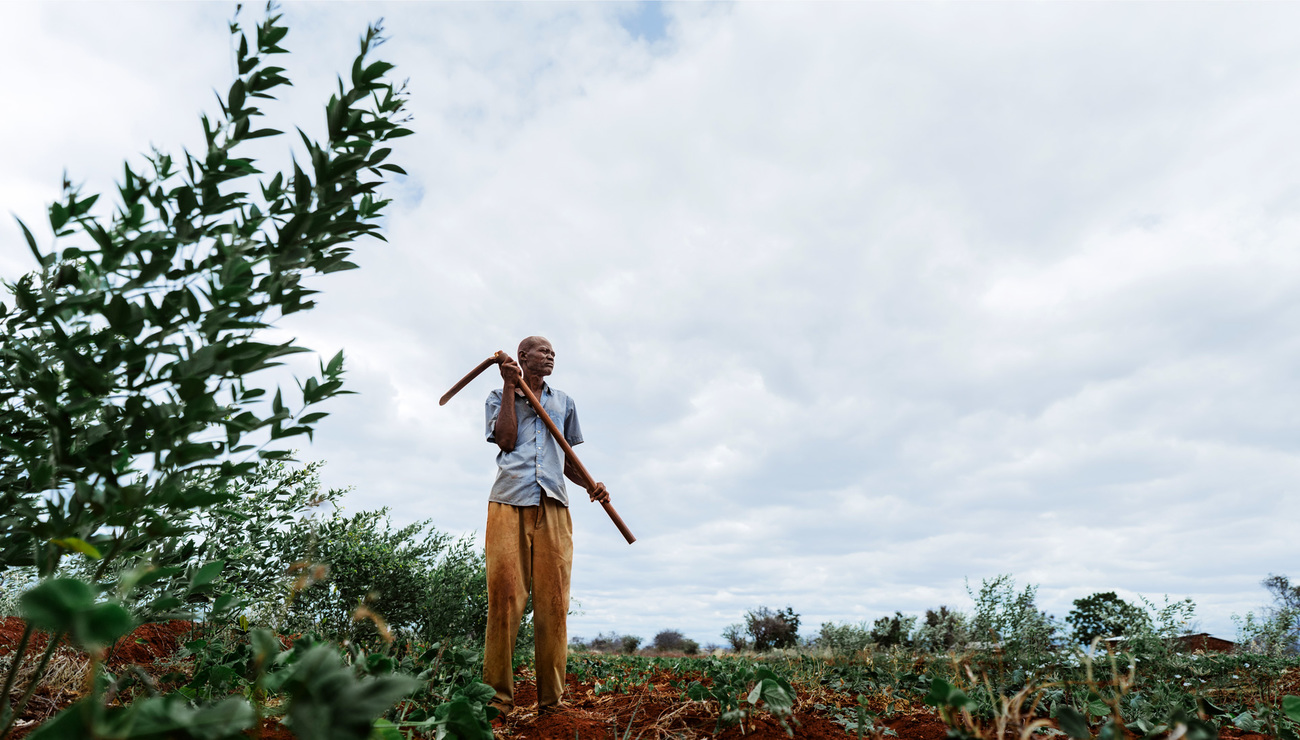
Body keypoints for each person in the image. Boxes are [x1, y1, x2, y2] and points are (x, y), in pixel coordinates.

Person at [482, 336, 609, 717]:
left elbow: (567, 457)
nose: (551, 355)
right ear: (522, 357)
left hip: (554, 505)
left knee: (555, 603)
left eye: (554, 352)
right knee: (504, 600)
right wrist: (509, 386)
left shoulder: (564, 401)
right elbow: (504, 440)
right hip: (508, 502)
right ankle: (497, 701)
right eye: (543, 351)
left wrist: (592, 486)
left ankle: (552, 703)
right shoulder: (497, 394)